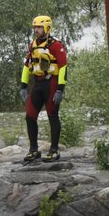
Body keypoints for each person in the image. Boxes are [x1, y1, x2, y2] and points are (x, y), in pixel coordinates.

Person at [19, 14, 68, 163]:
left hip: (51, 82)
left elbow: (63, 67)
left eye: (39, 27)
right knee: (30, 116)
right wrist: (23, 85)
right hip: (38, 83)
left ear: (47, 27)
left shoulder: (56, 45)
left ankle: (54, 150)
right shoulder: (33, 45)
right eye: (35, 27)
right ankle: (33, 150)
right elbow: (27, 66)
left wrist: (60, 88)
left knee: (52, 115)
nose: (36, 30)